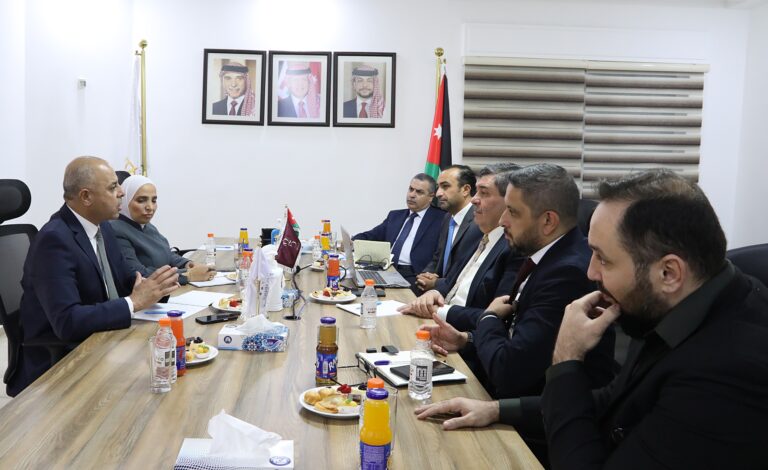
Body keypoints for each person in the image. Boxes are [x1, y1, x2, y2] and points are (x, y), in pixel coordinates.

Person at [415, 170, 768, 469]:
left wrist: (566, 360)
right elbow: (611, 400)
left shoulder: (729, 373)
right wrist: (496, 410)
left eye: (603, 259)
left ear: (669, 273)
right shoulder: (674, 305)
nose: (590, 272)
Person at [409, 164, 615, 400]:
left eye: (513, 212)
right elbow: (520, 341)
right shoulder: (545, 255)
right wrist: (466, 340)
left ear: (548, 221)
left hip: (530, 411)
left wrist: (488, 317)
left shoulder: (566, 273)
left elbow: (507, 371)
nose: (503, 220)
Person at [8, 157, 180, 396]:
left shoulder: (103, 227)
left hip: (103, 338)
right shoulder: (54, 240)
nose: (121, 192)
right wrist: (133, 302)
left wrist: (156, 287)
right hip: (65, 360)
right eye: (112, 187)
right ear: (86, 197)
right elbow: (67, 322)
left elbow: (125, 279)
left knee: (170, 364)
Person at [110, 175, 214, 285]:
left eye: (154, 200)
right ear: (125, 200)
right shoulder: (116, 230)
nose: (150, 207)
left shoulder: (145, 225)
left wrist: (187, 264)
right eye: (141, 201)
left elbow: (166, 253)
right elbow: (138, 274)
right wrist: (188, 275)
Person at [353, 173, 444, 286]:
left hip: (414, 275)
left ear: (431, 197)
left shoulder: (441, 219)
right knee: (354, 284)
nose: (412, 195)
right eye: (411, 189)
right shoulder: (395, 216)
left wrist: (426, 276)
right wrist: (352, 241)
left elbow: (439, 255)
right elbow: (372, 235)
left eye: (419, 192)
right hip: (386, 269)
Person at [415, 165, 482, 293]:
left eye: (445, 186)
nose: (438, 193)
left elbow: (466, 270)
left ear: (465, 190)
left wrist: (436, 283)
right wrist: (425, 275)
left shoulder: (478, 221)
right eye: (438, 187)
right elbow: (438, 257)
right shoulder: (447, 218)